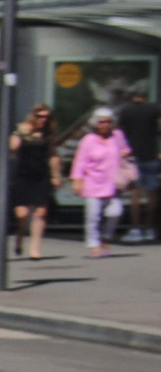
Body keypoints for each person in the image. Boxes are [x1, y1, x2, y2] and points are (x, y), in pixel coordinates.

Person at [70, 106, 131, 258]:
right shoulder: (88, 140)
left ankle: (106, 238)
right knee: (93, 216)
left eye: (108, 122)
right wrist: (77, 181)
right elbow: (80, 161)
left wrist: (124, 156)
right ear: (95, 123)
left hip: (112, 183)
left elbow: (126, 150)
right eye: (101, 122)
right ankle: (94, 245)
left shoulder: (117, 136)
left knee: (116, 212)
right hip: (93, 182)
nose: (105, 125)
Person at [8, 102, 59, 260]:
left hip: (41, 176)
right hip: (23, 175)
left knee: (41, 212)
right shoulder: (23, 130)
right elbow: (12, 148)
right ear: (33, 116)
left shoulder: (47, 134)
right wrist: (19, 133)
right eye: (40, 117)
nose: (43, 120)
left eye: (46, 117)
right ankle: (19, 237)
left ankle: (35, 248)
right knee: (22, 214)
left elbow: (53, 155)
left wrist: (55, 175)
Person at [117, 88, 159, 244]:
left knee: (135, 195)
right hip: (151, 154)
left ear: (132, 96)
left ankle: (135, 229)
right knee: (151, 193)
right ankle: (150, 228)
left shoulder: (126, 110)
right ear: (145, 96)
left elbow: (119, 132)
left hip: (133, 156)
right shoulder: (154, 109)